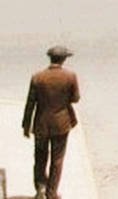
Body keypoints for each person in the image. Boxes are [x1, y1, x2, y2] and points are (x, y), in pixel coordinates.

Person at [22, 45, 80, 199]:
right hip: (61, 124)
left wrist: (26, 126)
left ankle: (40, 188)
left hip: (40, 123)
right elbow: (75, 98)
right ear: (64, 59)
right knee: (57, 159)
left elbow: (30, 104)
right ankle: (51, 193)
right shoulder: (70, 76)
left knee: (40, 157)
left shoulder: (37, 77)